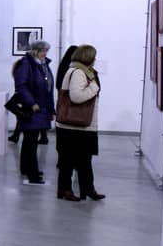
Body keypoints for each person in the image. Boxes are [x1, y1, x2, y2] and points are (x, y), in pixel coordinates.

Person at [56, 45, 105, 201]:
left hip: (80, 126)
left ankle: (88, 189)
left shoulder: (84, 71)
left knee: (84, 160)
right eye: (93, 56)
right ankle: (66, 190)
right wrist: (94, 88)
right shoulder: (78, 72)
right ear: (87, 57)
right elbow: (76, 97)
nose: (95, 59)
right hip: (74, 126)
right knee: (69, 161)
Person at [13, 40, 55, 184]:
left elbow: (48, 89)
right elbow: (21, 86)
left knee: (30, 140)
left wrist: (51, 109)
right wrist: (31, 103)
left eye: (46, 51)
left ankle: (26, 168)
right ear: (35, 51)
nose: (45, 53)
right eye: (43, 50)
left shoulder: (43, 64)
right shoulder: (26, 64)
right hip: (32, 108)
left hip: (41, 107)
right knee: (31, 142)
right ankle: (32, 174)